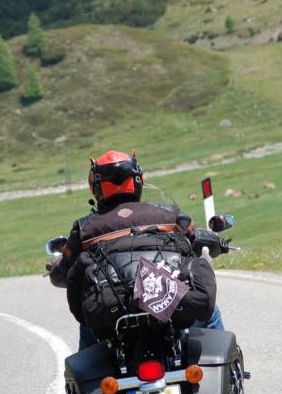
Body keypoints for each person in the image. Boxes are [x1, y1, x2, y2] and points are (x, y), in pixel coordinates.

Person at [48, 150, 224, 350]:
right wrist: (220, 243)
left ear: (95, 186)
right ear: (139, 180)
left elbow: (64, 268)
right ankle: (223, 367)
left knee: (88, 325)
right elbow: (199, 237)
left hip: (111, 308)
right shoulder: (169, 214)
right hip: (169, 301)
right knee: (211, 314)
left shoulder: (84, 228)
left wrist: (55, 268)